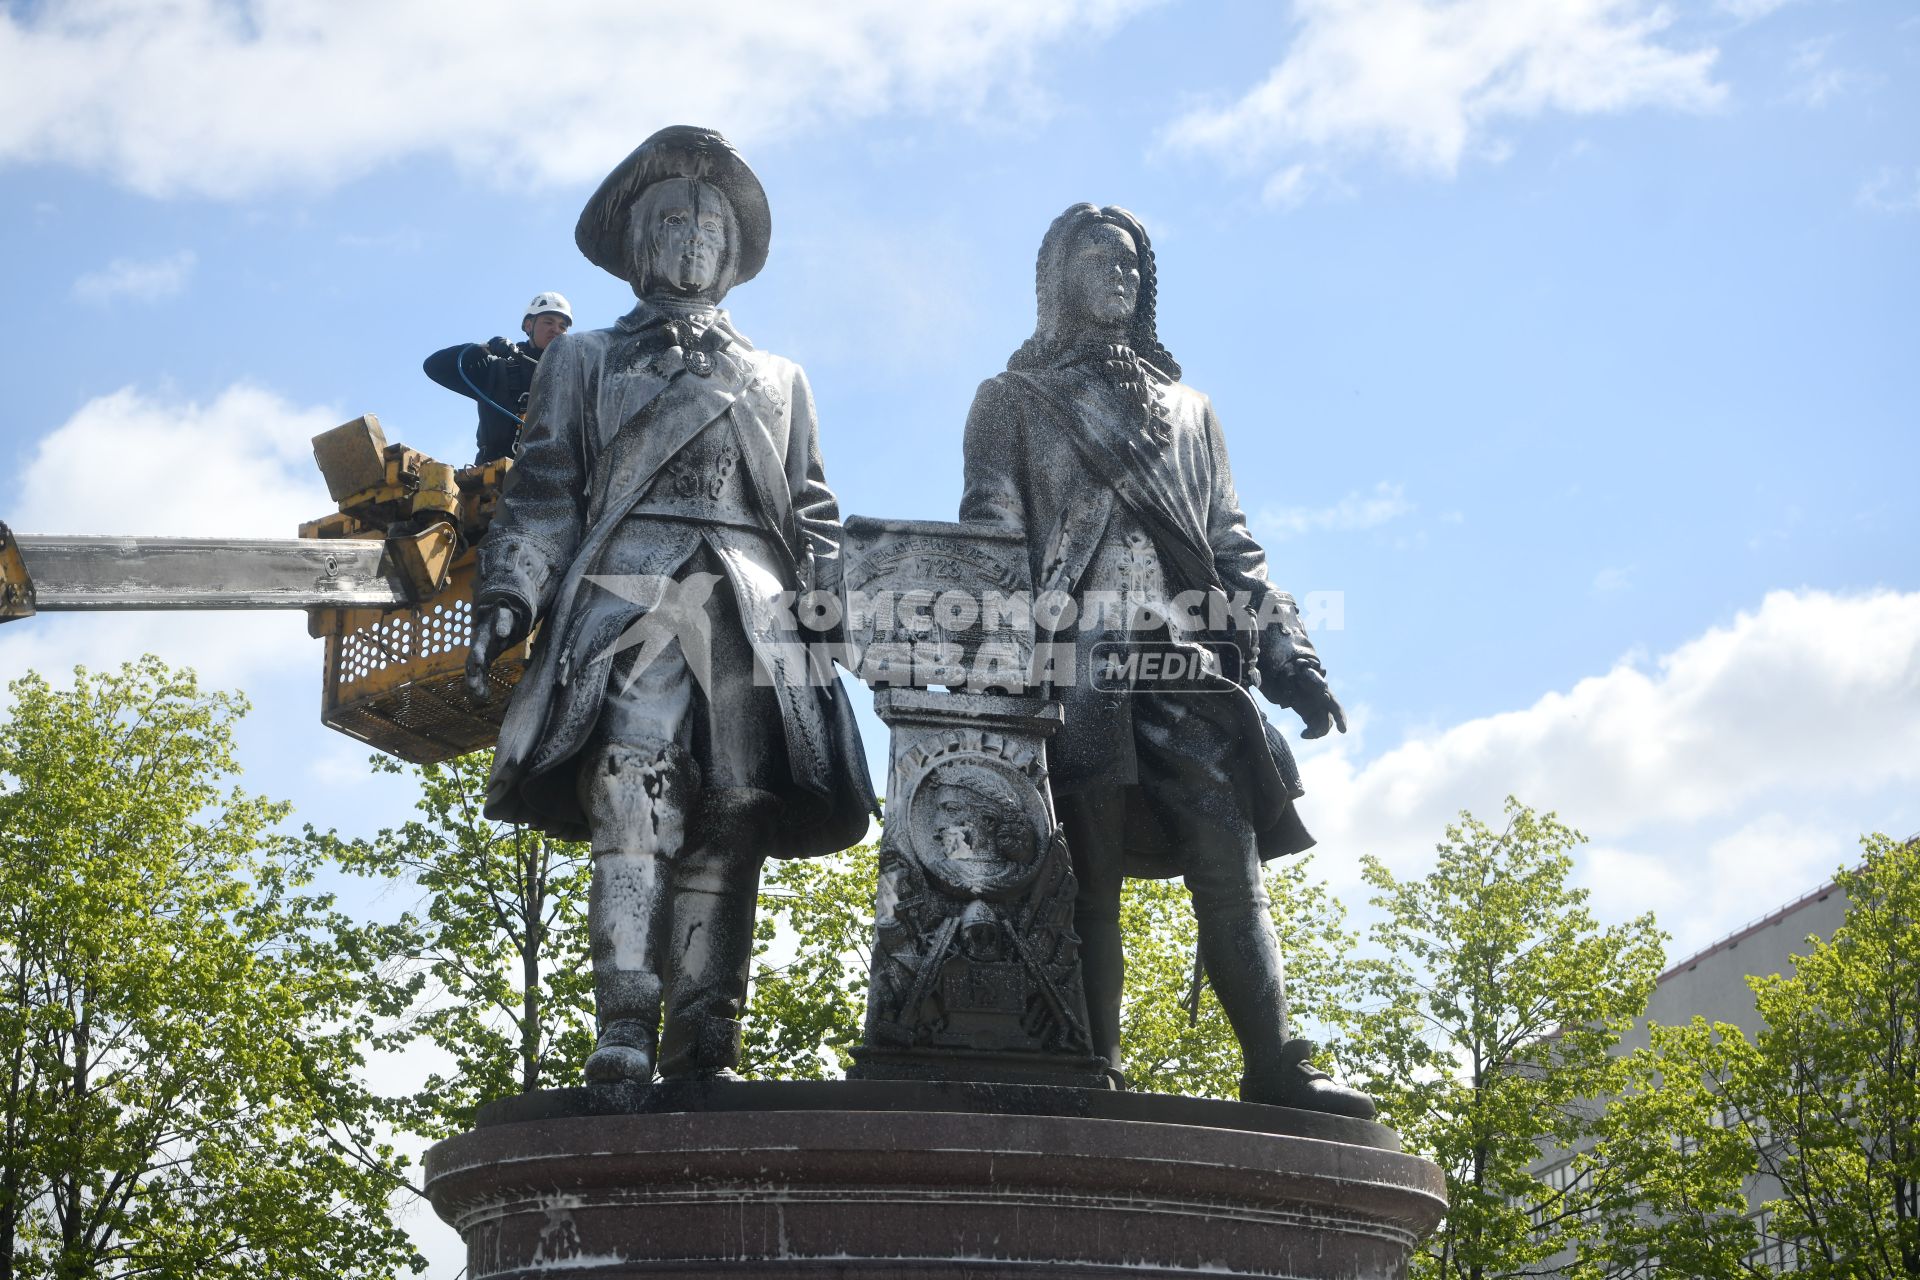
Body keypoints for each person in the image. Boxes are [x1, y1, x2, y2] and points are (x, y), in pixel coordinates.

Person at [464, 127, 875, 1085]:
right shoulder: (585, 359)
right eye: (673, 221)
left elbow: (813, 512)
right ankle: (623, 1024)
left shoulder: (782, 379)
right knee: (631, 787)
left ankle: (707, 1035)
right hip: (629, 594)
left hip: (752, 611)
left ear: (733, 251)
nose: (693, 239)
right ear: (640, 242)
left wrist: (835, 604)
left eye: (709, 224)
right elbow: (543, 488)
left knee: (738, 807)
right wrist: (511, 591)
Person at [957, 203, 1373, 1117]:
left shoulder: (1193, 412)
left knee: (1231, 867)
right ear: (1057, 277)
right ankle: (1090, 1065)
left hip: (1191, 666)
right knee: (1085, 877)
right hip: (1077, 666)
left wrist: (1290, 655)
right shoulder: (1011, 401)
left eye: (1134, 263)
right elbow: (989, 534)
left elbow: (1235, 546)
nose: (1121, 274)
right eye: (1100, 258)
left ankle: (1272, 1060)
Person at [423, 291, 574, 463]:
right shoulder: (497, 370)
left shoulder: (572, 381)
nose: (556, 330)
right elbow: (434, 367)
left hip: (552, 477)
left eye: (563, 327)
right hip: (495, 478)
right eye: (549, 322)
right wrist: (481, 350)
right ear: (528, 325)